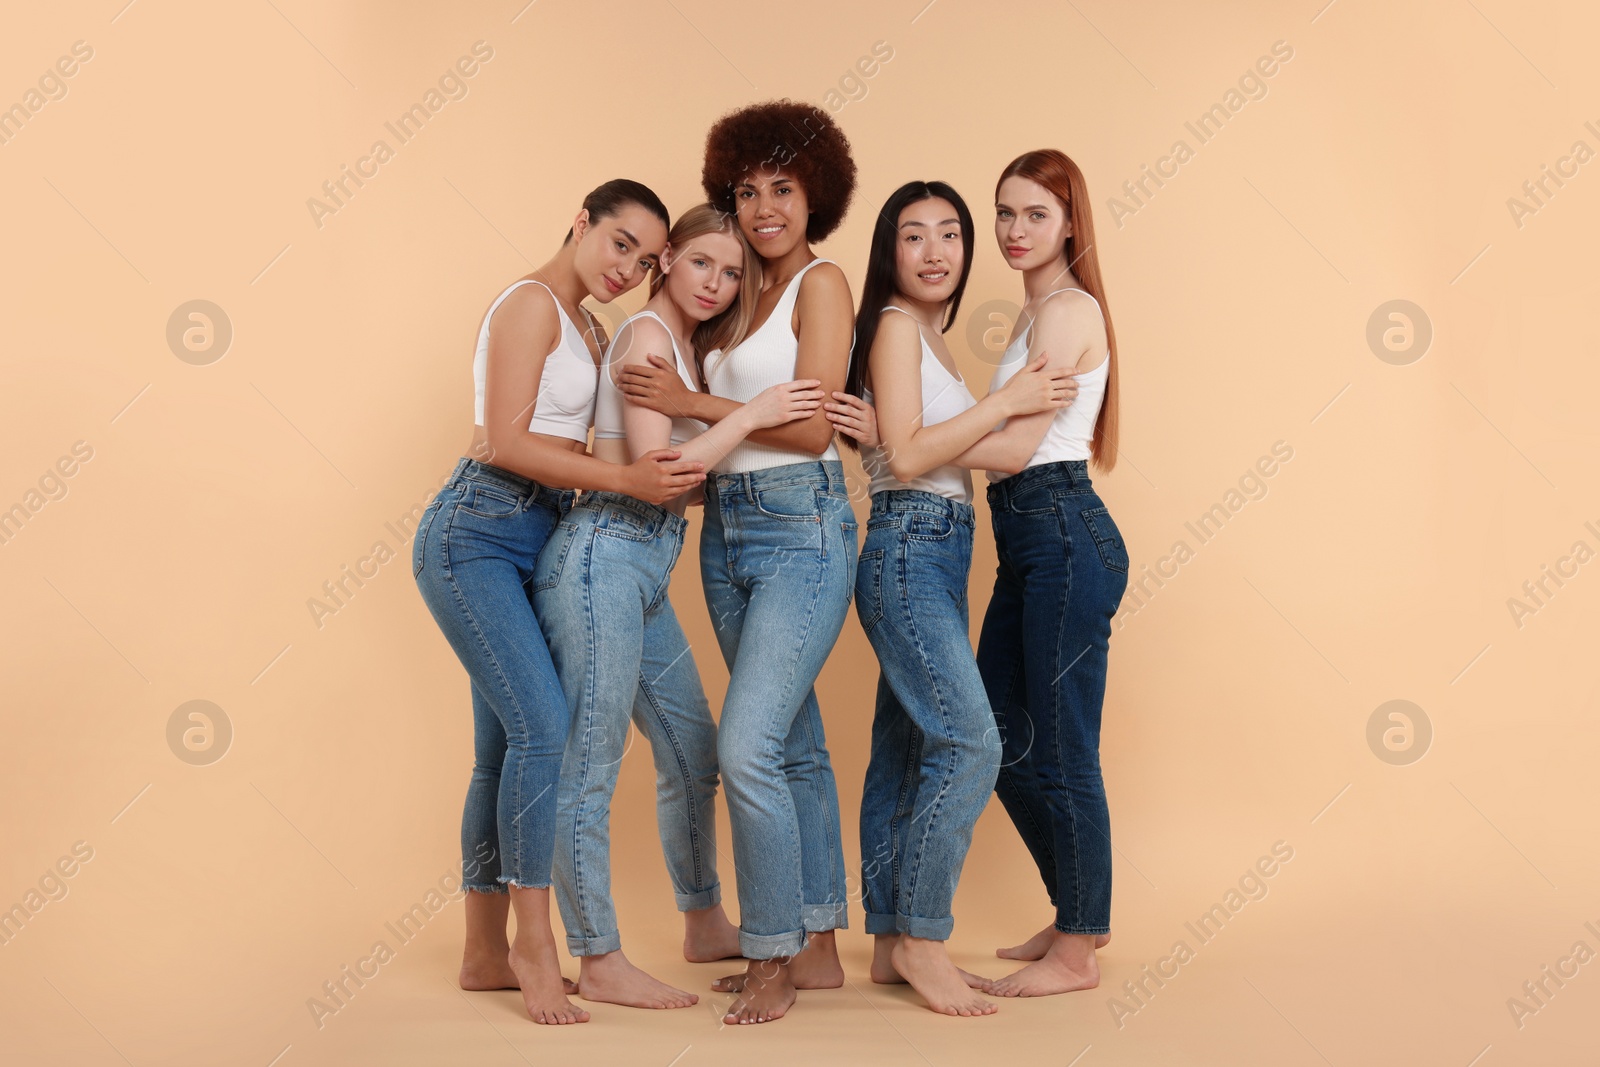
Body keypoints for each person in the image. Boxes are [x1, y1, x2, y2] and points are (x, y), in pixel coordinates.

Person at [412, 179, 705, 1025]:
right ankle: (538, 946)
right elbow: (504, 438)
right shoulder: (532, 303)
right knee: (545, 728)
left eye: (645, 260)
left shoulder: (591, 326)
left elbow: (588, 432)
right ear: (581, 221)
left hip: (538, 533)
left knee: (502, 747)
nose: (628, 268)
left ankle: (481, 953)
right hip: (476, 533)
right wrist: (622, 479)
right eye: (620, 243)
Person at [533, 203, 825, 1010]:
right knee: (589, 766)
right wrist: (758, 414)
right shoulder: (648, 341)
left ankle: (702, 919)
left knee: (694, 754)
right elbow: (661, 470)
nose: (717, 282)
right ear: (666, 263)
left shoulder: (684, 352)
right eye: (701, 263)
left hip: (641, 566)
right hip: (602, 557)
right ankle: (596, 954)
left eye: (732, 272)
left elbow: (684, 476)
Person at [617, 100, 859, 1024]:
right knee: (792, 741)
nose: (763, 207)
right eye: (747, 189)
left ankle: (770, 955)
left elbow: (807, 429)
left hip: (803, 528)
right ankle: (822, 947)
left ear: (816, 196)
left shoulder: (821, 284)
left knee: (748, 743)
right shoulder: (730, 296)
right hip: (726, 530)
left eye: (783, 189)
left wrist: (692, 398)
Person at [824, 181, 1075, 1015]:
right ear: (888, 253)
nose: (935, 252)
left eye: (950, 235)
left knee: (906, 749)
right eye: (913, 236)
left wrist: (998, 417)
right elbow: (909, 448)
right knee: (970, 743)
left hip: (937, 549)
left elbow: (916, 444)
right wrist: (1007, 401)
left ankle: (896, 939)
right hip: (908, 546)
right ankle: (926, 937)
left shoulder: (926, 336)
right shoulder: (896, 328)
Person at [974, 149, 1127, 997]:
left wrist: (908, 434)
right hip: (1030, 538)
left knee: (1063, 744)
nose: (1014, 230)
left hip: (1063, 531)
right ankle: (1080, 911)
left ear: (1070, 222)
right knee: (998, 734)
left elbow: (1014, 448)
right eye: (1004, 212)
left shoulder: (1067, 313)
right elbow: (1000, 441)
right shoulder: (1033, 318)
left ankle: (1077, 948)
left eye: (1035, 213)